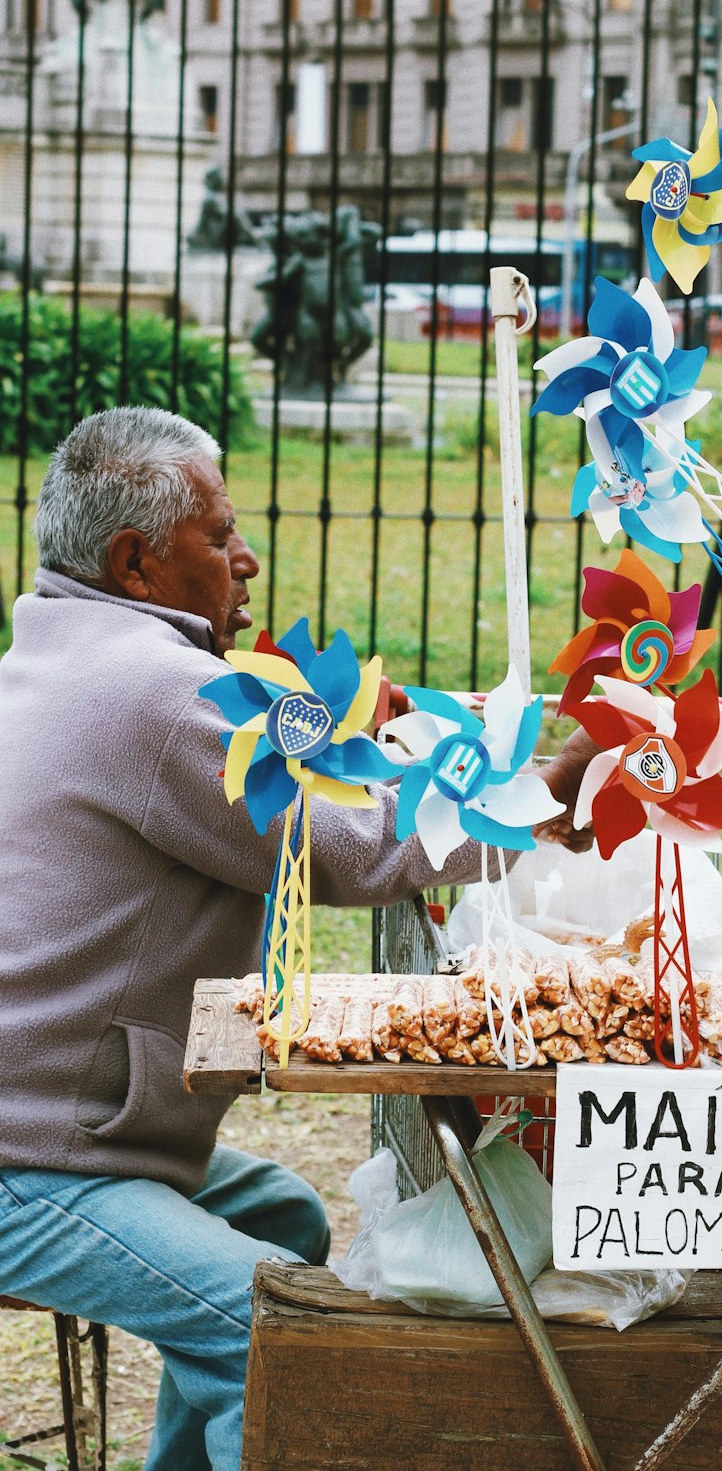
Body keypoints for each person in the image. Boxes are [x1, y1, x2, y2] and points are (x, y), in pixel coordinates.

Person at [0, 407, 596, 1471]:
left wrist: (383, 731)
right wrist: (545, 800)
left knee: (280, 1217)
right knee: (264, 1330)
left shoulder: (67, 650)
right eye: (219, 536)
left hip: (67, 1127)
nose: (246, 559)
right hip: (32, 1162)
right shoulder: (151, 691)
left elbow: (296, 769)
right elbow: (354, 854)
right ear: (137, 562)